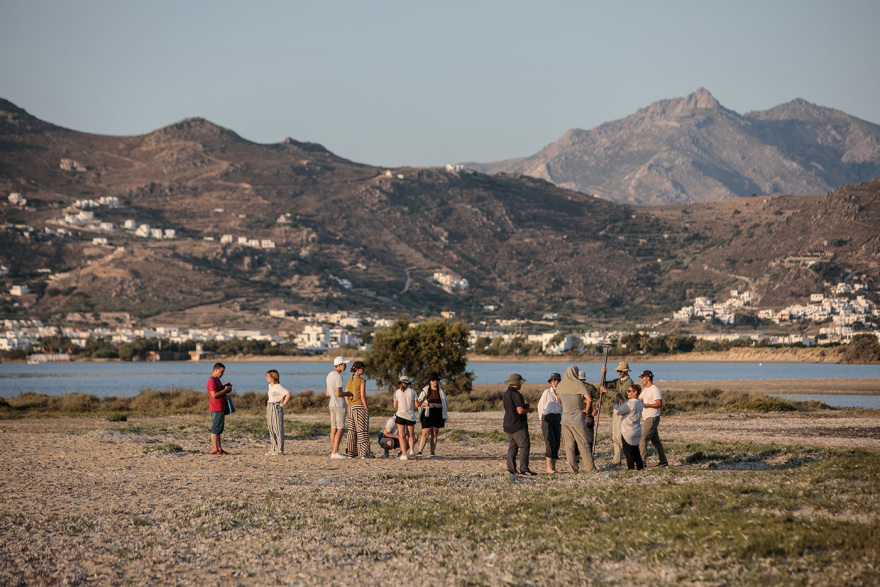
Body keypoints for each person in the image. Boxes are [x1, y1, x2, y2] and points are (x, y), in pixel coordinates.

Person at [556, 365, 597, 474]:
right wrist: (586, 410)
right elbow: (589, 399)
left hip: (565, 419)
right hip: (578, 419)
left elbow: (559, 400)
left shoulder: (561, 385)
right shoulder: (579, 384)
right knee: (584, 445)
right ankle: (591, 469)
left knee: (569, 446)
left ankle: (572, 469)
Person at [598, 361, 635, 467]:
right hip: (617, 409)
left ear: (625, 371)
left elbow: (621, 395)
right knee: (615, 435)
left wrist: (607, 392)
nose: (619, 373)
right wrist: (604, 374)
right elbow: (603, 385)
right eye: (618, 371)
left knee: (620, 435)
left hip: (624, 410)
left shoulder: (630, 382)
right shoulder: (617, 381)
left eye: (620, 371)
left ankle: (623, 457)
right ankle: (617, 458)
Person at [502, 373, 535, 475]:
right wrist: (529, 410)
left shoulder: (506, 393)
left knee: (512, 447)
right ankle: (524, 469)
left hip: (508, 423)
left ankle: (511, 469)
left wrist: (523, 406)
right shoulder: (516, 394)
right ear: (517, 384)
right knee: (524, 445)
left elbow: (512, 407)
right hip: (518, 424)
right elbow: (520, 411)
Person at [638, 370, 669, 468]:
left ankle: (641, 462)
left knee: (642, 439)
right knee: (656, 441)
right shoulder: (645, 390)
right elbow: (638, 400)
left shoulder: (655, 390)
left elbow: (659, 404)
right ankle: (663, 462)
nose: (641, 380)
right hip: (646, 417)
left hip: (652, 417)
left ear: (648, 378)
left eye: (643, 378)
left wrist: (646, 405)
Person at [613, 383, 644, 470]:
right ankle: (640, 469)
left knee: (628, 453)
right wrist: (623, 400)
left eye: (629, 391)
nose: (627, 392)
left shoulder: (630, 404)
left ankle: (631, 469)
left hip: (627, 431)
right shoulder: (640, 403)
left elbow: (618, 412)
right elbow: (628, 407)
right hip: (637, 430)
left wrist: (615, 404)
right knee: (636, 452)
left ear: (635, 392)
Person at [345, 360, 372, 459]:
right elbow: (363, 396)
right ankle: (363, 454)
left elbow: (346, 394)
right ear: (357, 369)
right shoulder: (361, 380)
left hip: (351, 407)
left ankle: (350, 453)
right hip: (359, 406)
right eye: (362, 368)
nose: (363, 370)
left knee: (351, 431)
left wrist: (349, 404)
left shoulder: (349, 380)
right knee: (362, 431)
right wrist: (366, 407)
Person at [537, 372, 563, 473]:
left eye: (555, 380)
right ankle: (548, 467)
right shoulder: (547, 392)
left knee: (557, 442)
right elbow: (540, 405)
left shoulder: (562, 393)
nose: (554, 382)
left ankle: (553, 467)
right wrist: (540, 419)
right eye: (552, 380)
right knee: (549, 442)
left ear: (559, 381)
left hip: (558, 418)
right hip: (547, 418)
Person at [416, 374, 447, 457]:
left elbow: (444, 403)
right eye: (433, 380)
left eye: (436, 380)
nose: (435, 382)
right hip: (427, 413)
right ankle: (420, 451)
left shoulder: (440, 391)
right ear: (430, 382)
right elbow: (419, 403)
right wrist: (429, 405)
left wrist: (439, 406)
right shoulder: (425, 391)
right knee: (425, 433)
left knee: (435, 433)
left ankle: (432, 452)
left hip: (438, 413)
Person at [326, 356, 350, 459]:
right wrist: (348, 393)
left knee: (333, 428)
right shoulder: (338, 376)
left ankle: (334, 451)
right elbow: (338, 393)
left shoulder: (329, 375)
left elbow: (327, 393)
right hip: (339, 405)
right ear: (339, 365)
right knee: (340, 429)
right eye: (344, 364)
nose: (346, 366)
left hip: (331, 404)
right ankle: (335, 452)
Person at [206, 362, 232, 455]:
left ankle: (219, 448)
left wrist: (225, 387)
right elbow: (214, 395)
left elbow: (219, 391)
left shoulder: (217, 380)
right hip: (216, 407)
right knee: (215, 429)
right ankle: (215, 449)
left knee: (219, 430)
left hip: (220, 407)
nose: (222, 374)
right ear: (216, 370)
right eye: (221, 372)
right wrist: (225, 390)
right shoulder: (211, 381)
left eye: (223, 372)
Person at [265, 369, 291, 455]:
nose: (266, 377)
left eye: (268, 376)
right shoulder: (270, 386)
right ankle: (273, 448)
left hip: (276, 407)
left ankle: (280, 449)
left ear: (273, 377)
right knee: (271, 428)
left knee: (277, 428)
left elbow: (288, 394)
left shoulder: (278, 386)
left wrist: (283, 403)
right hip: (269, 406)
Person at [393, 375, 418, 460]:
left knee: (401, 436)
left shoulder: (396, 392)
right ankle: (411, 450)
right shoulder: (413, 392)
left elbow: (394, 406)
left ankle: (404, 454)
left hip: (400, 415)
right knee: (411, 435)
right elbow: (417, 405)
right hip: (410, 416)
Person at [578, 370, 598, 452]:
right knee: (577, 435)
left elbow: (598, 399)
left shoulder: (590, 387)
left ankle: (589, 452)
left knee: (589, 435)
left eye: (581, 379)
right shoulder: (573, 387)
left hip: (588, 415)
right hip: (577, 415)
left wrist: (596, 409)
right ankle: (579, 453)